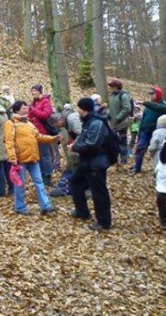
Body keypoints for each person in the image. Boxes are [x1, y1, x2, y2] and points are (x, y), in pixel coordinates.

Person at [5, 100, 58, 215]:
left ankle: (46, 206)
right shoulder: (11, 123)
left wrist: (52, 139)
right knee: (20, 185)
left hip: (33, 158)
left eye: (27, 107)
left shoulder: (29, 123)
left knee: (39, 182)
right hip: (20, 160)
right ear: (17, 110)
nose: (26, 109)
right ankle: (20, 207)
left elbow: (38, 136)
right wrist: (12, 158)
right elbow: (9, 142)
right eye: (24, 108)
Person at [71, 97, 112, 231]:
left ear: (83, 109)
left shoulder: (96, 123)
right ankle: (82, 212)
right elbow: (84, 139)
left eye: (78, 107)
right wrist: (76, 145)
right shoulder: (88, 121)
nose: (76, 109)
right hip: (86, 161)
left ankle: (104, 222)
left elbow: (92, 144)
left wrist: (75, 147)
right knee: (75, 183)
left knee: (99, 193)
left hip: (96, 163)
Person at [132, 86, 166, 174]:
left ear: (158, 94)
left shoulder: (164, 106)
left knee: (158, 151)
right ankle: (137, 167)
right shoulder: (148, 105)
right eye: (151, 94)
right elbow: (144, 117)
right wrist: (140, 130)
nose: (151, 96)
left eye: (153, 94)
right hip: (145, 131)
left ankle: (160, 169)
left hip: (157, 132)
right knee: (140, 148)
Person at [28, 84, 56, 186]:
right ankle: (41, 176)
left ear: (40, 91)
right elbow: (30, 115)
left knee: (45, 155)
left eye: (34, 90)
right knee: (38, 156)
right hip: (34, 132)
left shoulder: (45, 101)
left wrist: (33, 110)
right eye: (32, 91)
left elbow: (45, 115)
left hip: (43, 132)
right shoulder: (34, 102)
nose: (33, 93)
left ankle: (48, 176)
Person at [107, 79, 132, 164]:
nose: (110, 88)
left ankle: (124, 161)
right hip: (113, 124)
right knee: (113, 142)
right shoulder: (112, 95)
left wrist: (118, 117)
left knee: (122, 142)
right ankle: (115, 160)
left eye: (111, 86)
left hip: (121, 124)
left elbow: (127, 108)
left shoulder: (123, 95)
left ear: (116, 87)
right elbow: (111, 108)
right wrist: (109, 115)